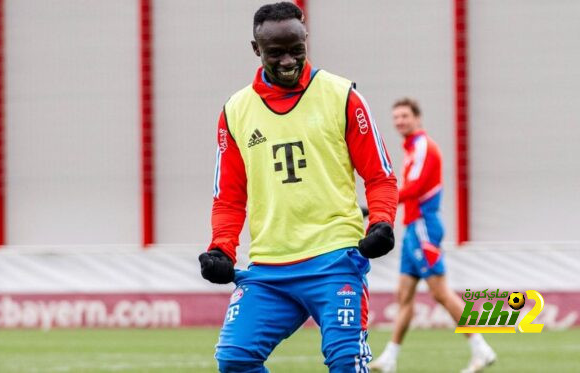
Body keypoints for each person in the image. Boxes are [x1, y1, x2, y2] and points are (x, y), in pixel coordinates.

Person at [198, 3, 399, 372]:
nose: (289, 60)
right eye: (276, 52)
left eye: (297, 49)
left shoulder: (342, 96)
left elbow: (380, 175)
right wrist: (221, 248)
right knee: (235, 360)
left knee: (345, 362)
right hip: (269, 267)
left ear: (306, 41)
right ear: (256, 50)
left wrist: (381, 223)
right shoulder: (235, 111)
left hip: (335, 260)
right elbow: (228, 196)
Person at [368, 98, 496, 373]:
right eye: (396, 117)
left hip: (424, 226)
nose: (399, 121)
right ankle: (390, 358)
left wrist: (377, 204)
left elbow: (414, 188)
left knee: (440, 293)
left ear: (417, 118)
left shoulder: (424, 146)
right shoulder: (412, 148)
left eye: (404, 116)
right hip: (413, 228)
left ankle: (481, 347)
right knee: (403, 296)